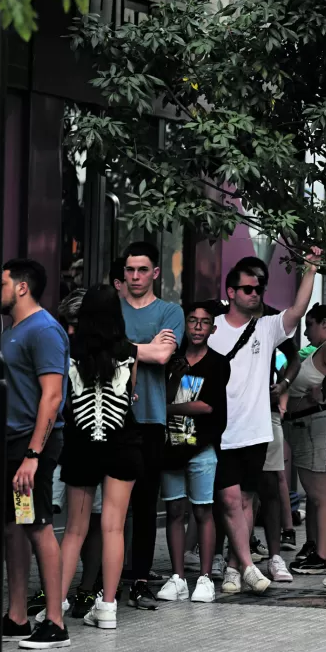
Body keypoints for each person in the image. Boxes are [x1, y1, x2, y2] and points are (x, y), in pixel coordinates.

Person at [208, 251, 319, 591]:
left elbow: (298, 310)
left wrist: (311, 268)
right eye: (247, 289)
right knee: (226, 501)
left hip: (255, 430)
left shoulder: (267, 327)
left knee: (244, 501)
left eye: (259, 289)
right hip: (220, 430)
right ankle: (247, 565)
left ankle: (232, 565)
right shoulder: (211, 328)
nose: (255, 294)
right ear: (231, 292)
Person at [52, 285, 141, 630]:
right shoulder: (129, 351)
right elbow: (128, 396)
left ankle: (55, 608)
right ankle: (107, 607)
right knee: (113, 527)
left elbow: (66, 399)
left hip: (82, 445)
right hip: (122, 445)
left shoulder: (69, 352)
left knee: (74, 530)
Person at [0, 258, 71, 649]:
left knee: (38, 524)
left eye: (3, 283)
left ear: (22, 287)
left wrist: (33, 455)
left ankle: (56, 623)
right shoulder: (13, 329)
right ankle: (17, 616)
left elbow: (53, 396)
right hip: (13, 443)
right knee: (15, 526)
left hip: (33, 444)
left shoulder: (43, 330)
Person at [119, 241, 183, 607]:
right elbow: (105, 346)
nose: (136, 276)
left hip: (151, 420)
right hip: (111, 417)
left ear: (155, 272)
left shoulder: (170, 312)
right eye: (130, 270)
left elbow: (162, 354)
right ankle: (97, 582)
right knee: (104, 508)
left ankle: (140, 580)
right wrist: (141, 346)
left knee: (144, 506)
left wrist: (123, 346)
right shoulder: (113, 309)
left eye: (143, 270)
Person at [158, 300, 230, 602]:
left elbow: (207, 406)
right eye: (192, 321)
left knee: (202, 511)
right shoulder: (170, 360)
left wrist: (167, 407)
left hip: (201, 449)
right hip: (170, 448)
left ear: (213, 328)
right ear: (184, 325)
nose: (198, 327)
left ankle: (204, 578)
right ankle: (177, 578)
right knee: (175, 511)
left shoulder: (217, 363)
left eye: (204, 322)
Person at [285, 305, 326, 574]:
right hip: (304, 425)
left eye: (310, 325)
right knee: (315, 495)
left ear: (324, 324)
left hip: (316, 425)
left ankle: (324, 554)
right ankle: (315, 545)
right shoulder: (323, 348)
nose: (306, 331)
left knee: (320, 495)